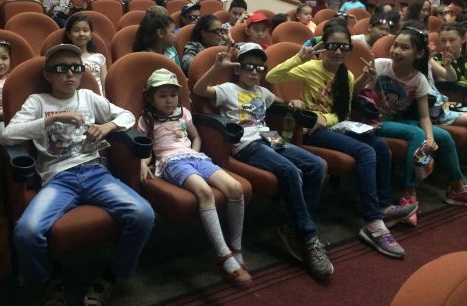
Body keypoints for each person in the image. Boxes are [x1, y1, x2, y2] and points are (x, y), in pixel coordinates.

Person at [4, 43, 154, 305]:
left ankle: (111, 275)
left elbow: (127, 116)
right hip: (57, 179)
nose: (69, 74)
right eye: (61, 69)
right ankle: (51, 277)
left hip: (94, 171)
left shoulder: (88, 97)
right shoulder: (38, 101)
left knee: (143, 214)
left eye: (75, 68)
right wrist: (52, 119)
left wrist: (107, 126)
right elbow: (8, 135)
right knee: (26, 232)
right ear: (48, 74)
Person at [266, 23, 416, 259]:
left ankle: (384, 205)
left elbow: (343, 111)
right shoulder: (311, 67)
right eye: (333, 46)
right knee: (366, 152)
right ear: (324, 46)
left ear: (348, 50)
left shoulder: (346, 75)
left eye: (343, 47)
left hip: (334, 125)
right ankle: (373, 222)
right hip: (310, 129)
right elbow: (271, 76)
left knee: (380, 146)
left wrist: (361, 82)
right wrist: (299, 57)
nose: (338, 51)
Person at [193, 42, 333, 278]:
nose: (254, 72)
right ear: (237, 69)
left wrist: (293, 102)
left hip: (270, 137)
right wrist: (216, 68)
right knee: (291, 171)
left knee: (317, 165)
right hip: (247, 143)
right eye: (249, 66)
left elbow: (281, 102)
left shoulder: (263, 92)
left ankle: (294, 226)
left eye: (259, 68)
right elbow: (199, 90)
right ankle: (308, 237)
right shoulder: (228, 89)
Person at [139, 68, 251, 287]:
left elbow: (195, 136)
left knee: (235, 188)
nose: (169, 100)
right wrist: (143, 163)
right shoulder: (147, 119)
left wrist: (195, 152)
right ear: (151, 99)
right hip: (171, 162)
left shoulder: (184, 113)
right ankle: (224, 254)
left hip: (195, 157)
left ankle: (236, 246)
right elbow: (145, 148)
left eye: (173, 95)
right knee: (205, 192)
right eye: (162, 95)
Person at [370, 26, 467, 211]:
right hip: (375, 120)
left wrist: (430, 138)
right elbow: (357, 95)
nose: (396, 51)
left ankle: (457, 188)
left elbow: (424, 116)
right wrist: (365, 77)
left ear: (419, 53)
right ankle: (410, 194)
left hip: (399, 121)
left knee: (444, 137)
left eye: (404, 47)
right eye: (395, 45)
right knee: (416, 134)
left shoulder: (419, 79)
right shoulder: (380, 65)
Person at [63, 14, 107, 95]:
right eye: (76, 30)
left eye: (85, 30)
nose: (81, 34)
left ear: (91, 35)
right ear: (69, 35)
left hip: (98, 99)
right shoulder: (64, 59)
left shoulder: (99, 58)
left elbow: (105, 87)